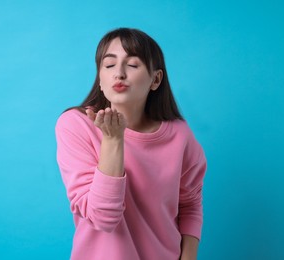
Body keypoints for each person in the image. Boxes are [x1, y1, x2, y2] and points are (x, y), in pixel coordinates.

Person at [55, 28, 207, 260]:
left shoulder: (179, 134)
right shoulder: (76, 125)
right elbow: (102, 217)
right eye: (109, 65)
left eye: (133, 65)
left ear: (155, 79)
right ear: (100, 77)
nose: (119, 73)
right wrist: (113, 139)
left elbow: (190, 205)